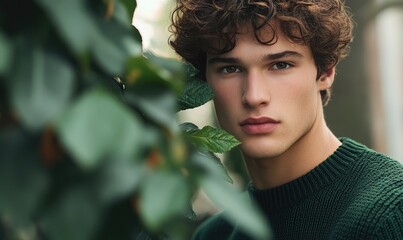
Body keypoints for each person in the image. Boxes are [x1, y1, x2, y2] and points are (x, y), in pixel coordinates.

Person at [169, 0, 403, 239]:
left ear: (325, 72)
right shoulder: (213, 235)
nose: (254, 96)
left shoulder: (389, 215)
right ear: (205, 81)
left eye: (280, 65)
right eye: (230, 69)